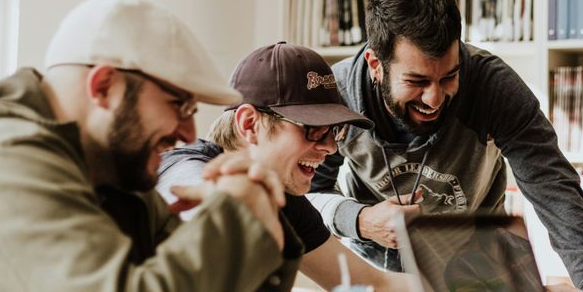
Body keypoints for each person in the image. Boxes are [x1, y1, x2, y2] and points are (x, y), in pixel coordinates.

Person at [0, 0, 299, 291]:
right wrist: (234, 215)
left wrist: (260, 211)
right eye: (179, 104)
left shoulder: (108, 172)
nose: (190, 134)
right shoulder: (3, 162)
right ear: (104, 86)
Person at [307, 0, 583, 291]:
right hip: (379, 271)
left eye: (449, 76)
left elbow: (554, 187)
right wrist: (359, 220)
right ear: (375, 65)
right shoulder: (337, 97)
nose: (434, 98)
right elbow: (306, 195)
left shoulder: (492, 86)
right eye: (417, 81)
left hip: (482, 265)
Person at [156, 42, 409, 291]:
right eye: (314, 129)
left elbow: (376, 284)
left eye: (335, 130)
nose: (331, 147)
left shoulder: (284, 197)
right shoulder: (184, 169)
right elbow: (203, 204)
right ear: (249, 124)